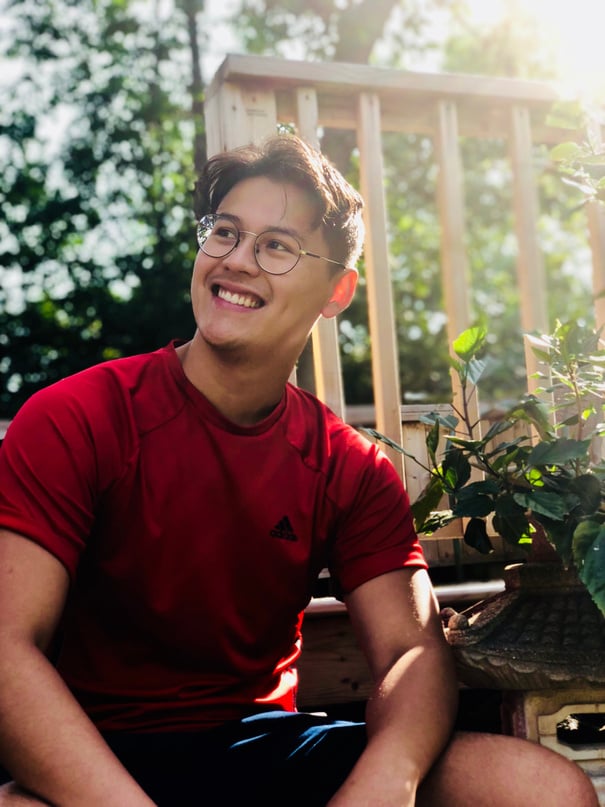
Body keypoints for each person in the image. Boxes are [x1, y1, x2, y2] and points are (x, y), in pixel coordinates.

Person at [0, 134, 597, 807]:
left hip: (258, 747)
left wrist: (384, 783)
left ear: (337, 291)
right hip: (90, 754)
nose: (236, 260)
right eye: (223, 233)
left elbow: (410, 650)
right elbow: (6, 647)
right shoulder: (77, 417)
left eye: (276, 245)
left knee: (538, 788)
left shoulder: (347, 465)